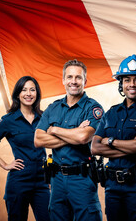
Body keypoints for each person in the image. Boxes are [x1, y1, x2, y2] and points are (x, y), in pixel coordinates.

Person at [34, 59, 104, 221]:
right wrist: (74, 133)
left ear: (85, 81)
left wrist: (54, 130)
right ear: (63, 80)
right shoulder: (53, 108)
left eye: (78, 78)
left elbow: (83, 137)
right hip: (57, 180)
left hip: (82, 180)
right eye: (70, 77)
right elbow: (38, 139)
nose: (74, 81)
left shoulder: (93, 108)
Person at [91, 55, 136, 221]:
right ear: (121, 83)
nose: (132, 84)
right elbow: (95, 147)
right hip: (112, 187)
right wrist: (130, 146)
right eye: (127, 80)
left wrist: (110, 141)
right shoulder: (111, 112)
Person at [0, 76, 50, 221]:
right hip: (19, 181)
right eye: (24, 90)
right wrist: (5, 165)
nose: (28, 93)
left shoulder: (44, 117)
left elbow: (58, 136)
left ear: (37, 93)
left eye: (32, 90)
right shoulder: (8, 120)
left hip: (43, 181)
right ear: (18, 94)